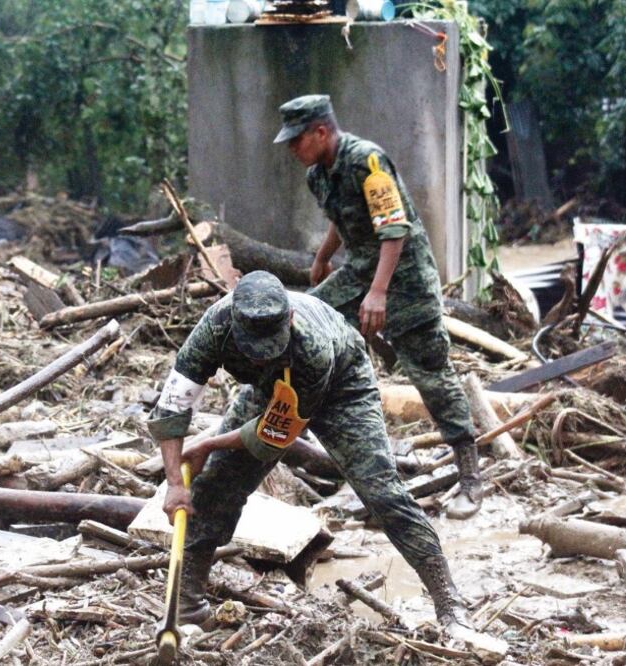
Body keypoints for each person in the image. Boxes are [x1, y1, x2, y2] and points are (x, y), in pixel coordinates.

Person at [147, 271, 470, 631]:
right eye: (251, 349)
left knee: (383, 494)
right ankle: (188, 606)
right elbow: (173, 406)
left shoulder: (311, 346)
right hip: (270, 390)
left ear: (289, 319)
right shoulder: (213, 327)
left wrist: (208, 443)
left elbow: (275, 434)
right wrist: (175, 483)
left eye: (268, 349)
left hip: (343, 387)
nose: (258, 359)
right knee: (215, 482)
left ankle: (450, 604)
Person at [274, 93, 482, 520]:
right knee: (305, 328)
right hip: (361, 271)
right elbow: (342, 218)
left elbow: (394, 229)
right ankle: (361, 473)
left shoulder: (367, 161)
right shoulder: (318, 175)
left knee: (430, 373)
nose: (292, 148)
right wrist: (322, 257)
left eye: (297, 139)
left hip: (405, 278)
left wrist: (379, 292)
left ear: (321, 132)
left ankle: (470, 478)